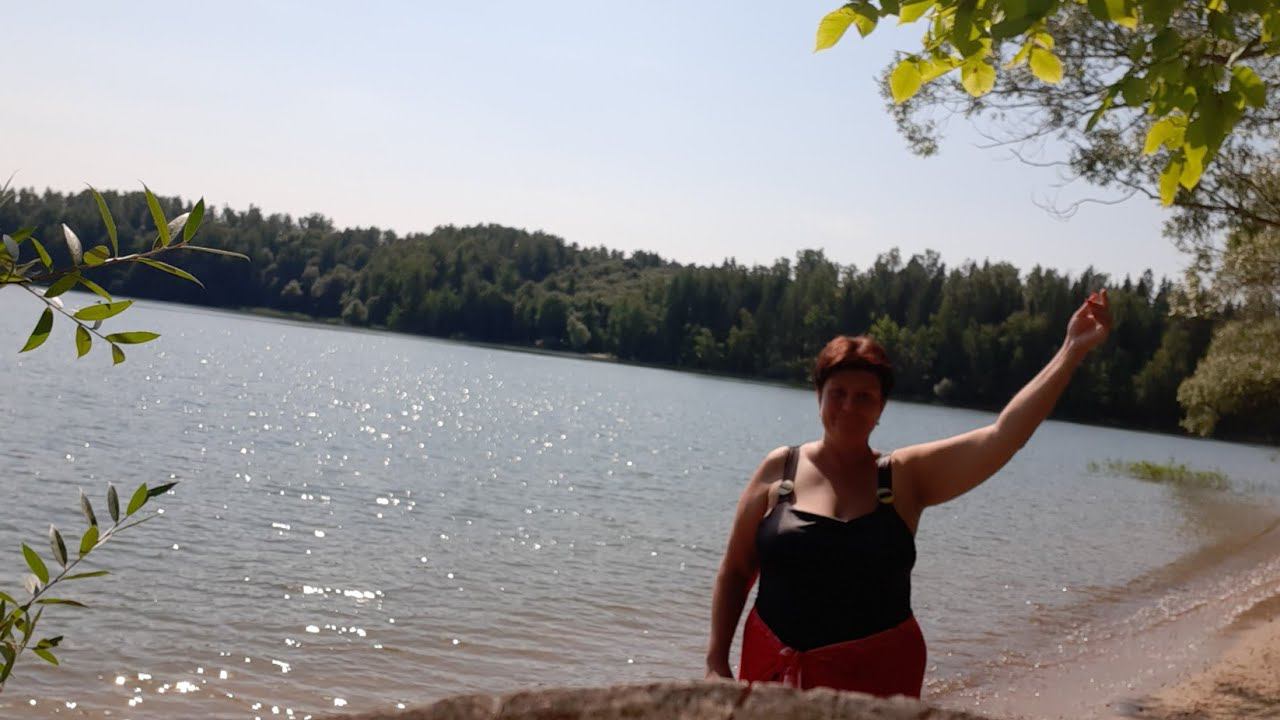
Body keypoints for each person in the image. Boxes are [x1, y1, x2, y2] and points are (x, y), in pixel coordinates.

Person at [704, 290, 1113, 697]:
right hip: (774, 677)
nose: (848, 406)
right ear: (818, 396)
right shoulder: (781, 468)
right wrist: (716, 661)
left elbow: (1002, 436)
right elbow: (736, 570)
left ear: (881, 407)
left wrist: (1071, 350)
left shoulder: (904, 478)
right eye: (838, 393)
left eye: (864, 397)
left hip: (877, 682)